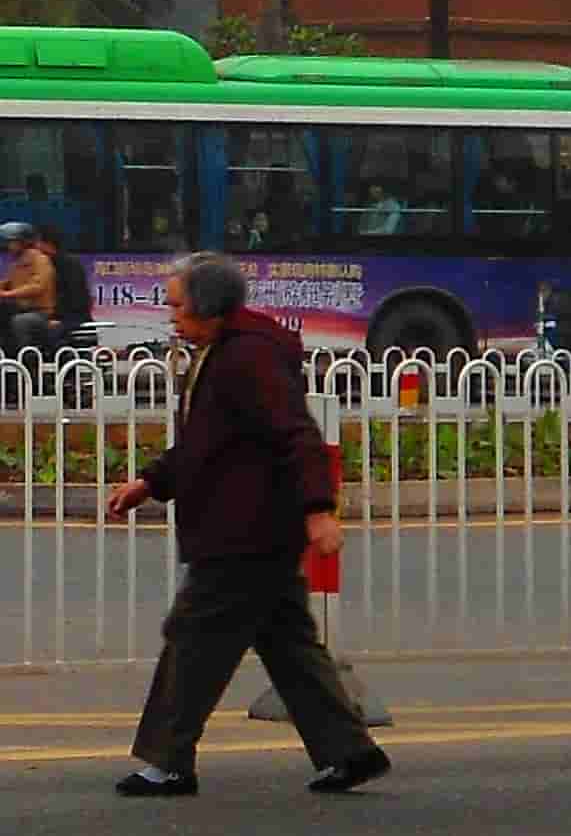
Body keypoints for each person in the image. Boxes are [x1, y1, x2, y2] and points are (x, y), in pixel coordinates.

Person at [107, 251, 390, 801]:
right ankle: (348, 753)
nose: (171, 317)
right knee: (288, 644)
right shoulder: (223, 351)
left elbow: (296, 435)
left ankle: (168, 763)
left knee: (192, 641)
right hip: (253, 527)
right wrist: (151, 482)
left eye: (177, 306)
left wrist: (318, 509)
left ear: (209, 307)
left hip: (245, 531)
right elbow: (205, 442)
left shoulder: (247, 359)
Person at [0, 221, 56, 354]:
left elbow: (38, 286)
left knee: (20, 322)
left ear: (23, 242)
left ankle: (25, 361)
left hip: (39, 313)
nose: (8, 246)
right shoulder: (17, 263)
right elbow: (7, 282)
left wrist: (7, 295)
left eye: (12, 242)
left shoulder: (41, 260)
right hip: (20, 309)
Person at [35, 225, 94, 349]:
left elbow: (76, 300)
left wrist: (58, 318)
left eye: (38, 243)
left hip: (73, 319)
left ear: (49, 244)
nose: (36, 247)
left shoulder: (70, 265)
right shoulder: (43, 265)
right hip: (51, 318)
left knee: (48, 334)